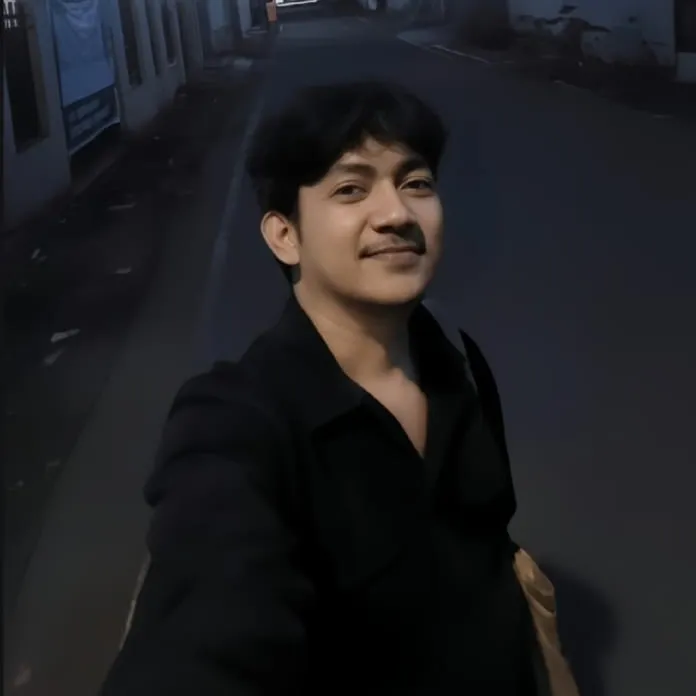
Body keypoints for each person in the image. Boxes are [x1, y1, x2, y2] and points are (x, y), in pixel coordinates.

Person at [101, 81, 547, 695]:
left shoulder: (459, 366)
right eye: (350, 189)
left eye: (417, 183)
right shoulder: (236, 420)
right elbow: (205, 625)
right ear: (284, 235)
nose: (397, 214)